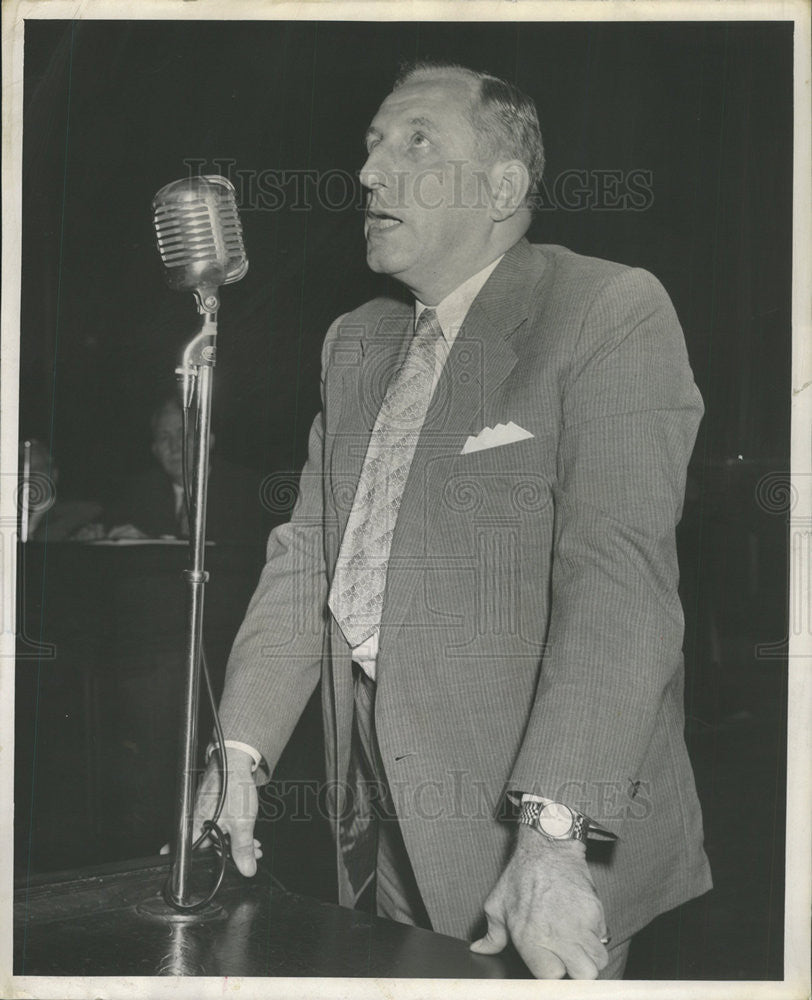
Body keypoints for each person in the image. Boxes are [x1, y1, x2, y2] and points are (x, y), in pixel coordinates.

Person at [187, 61, 712, 979]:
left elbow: (618, 585)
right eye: (372, 146)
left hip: (540, 845)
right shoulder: (356, 339)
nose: (368, 172)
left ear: (503, 187)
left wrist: (552, 835)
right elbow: (311, 553)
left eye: (415, 142)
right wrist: (240, 747)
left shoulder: (606, 310)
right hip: (384, 826)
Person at [106, 396, 268, 545]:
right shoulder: (139, 493)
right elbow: (104, 527)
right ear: (155, 450)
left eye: (184, 434)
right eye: (164, 438)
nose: (175, 446)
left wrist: (150, 546)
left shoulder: (249, 491)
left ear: (208, 440)